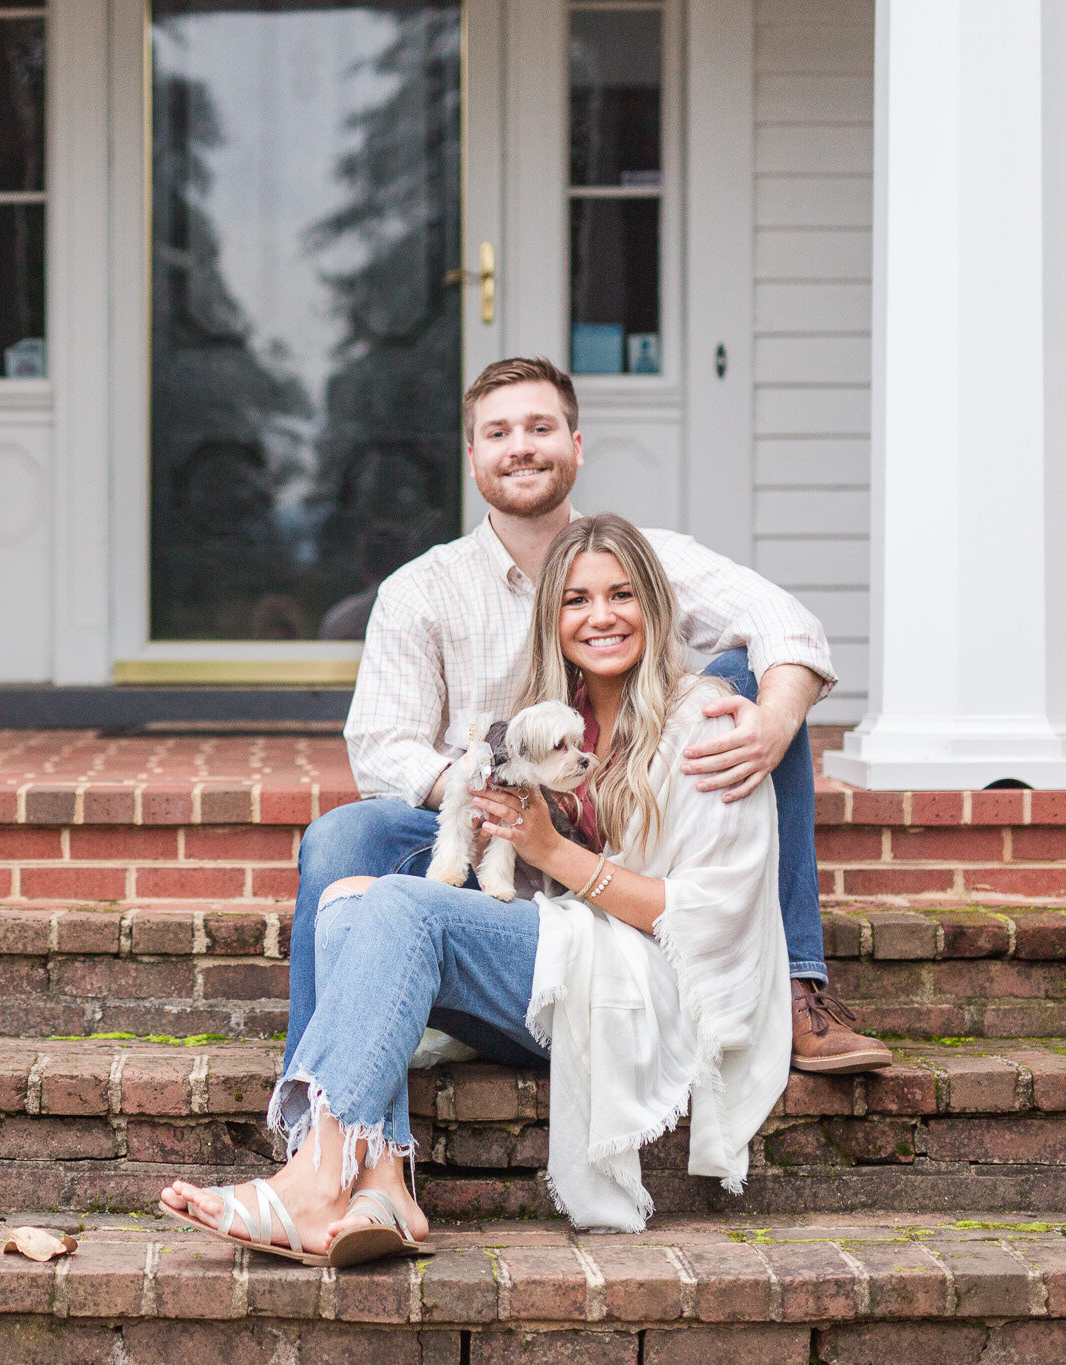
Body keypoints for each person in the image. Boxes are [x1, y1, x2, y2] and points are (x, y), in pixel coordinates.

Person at [162, 513, 792, 1257]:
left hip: (648, 988)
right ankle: (384, 1185)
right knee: (342, 907)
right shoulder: (559, 725)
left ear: (654, 606)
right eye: (576, 600)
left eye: (621, 594)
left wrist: (552, 852)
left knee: (397, 904)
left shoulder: (710, 724)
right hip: (570, 961)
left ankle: (313, 1180)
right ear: (552, 618)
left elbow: (706, 919)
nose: (601, 616)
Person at [293, 356, 888, 1075]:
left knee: (755, 682)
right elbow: (382, 747)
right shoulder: (423, 589)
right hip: (491, 845)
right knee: (342, 836)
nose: (521, 446)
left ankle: (794, 984)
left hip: (630, 832)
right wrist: (497, 796)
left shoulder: (641, 556)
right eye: (499, 431)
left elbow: (784, 620)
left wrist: (777, 717)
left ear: (576, 446)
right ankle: (316, 1095)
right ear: (473, 455)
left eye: (541, 427)